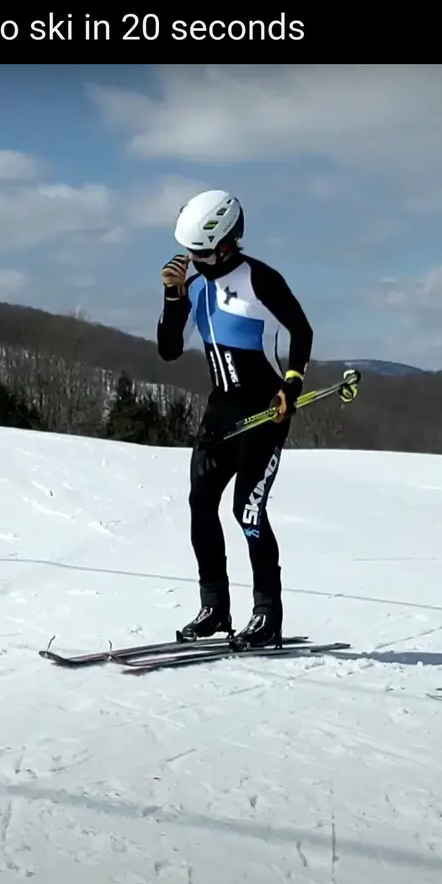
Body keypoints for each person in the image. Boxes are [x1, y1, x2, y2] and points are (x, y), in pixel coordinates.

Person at [156, 189, 314, 649]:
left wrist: (291, 383)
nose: (194, 259)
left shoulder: (260, 279)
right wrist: (172, 296)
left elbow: (300, 330)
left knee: (248, 510)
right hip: (220, 413)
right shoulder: (196, 286)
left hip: (265, 411)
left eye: (201, 252)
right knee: (200, 506)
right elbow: (169, 350)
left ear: (228, 242)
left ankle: (267, 616)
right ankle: (214, 609)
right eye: (190, 252)